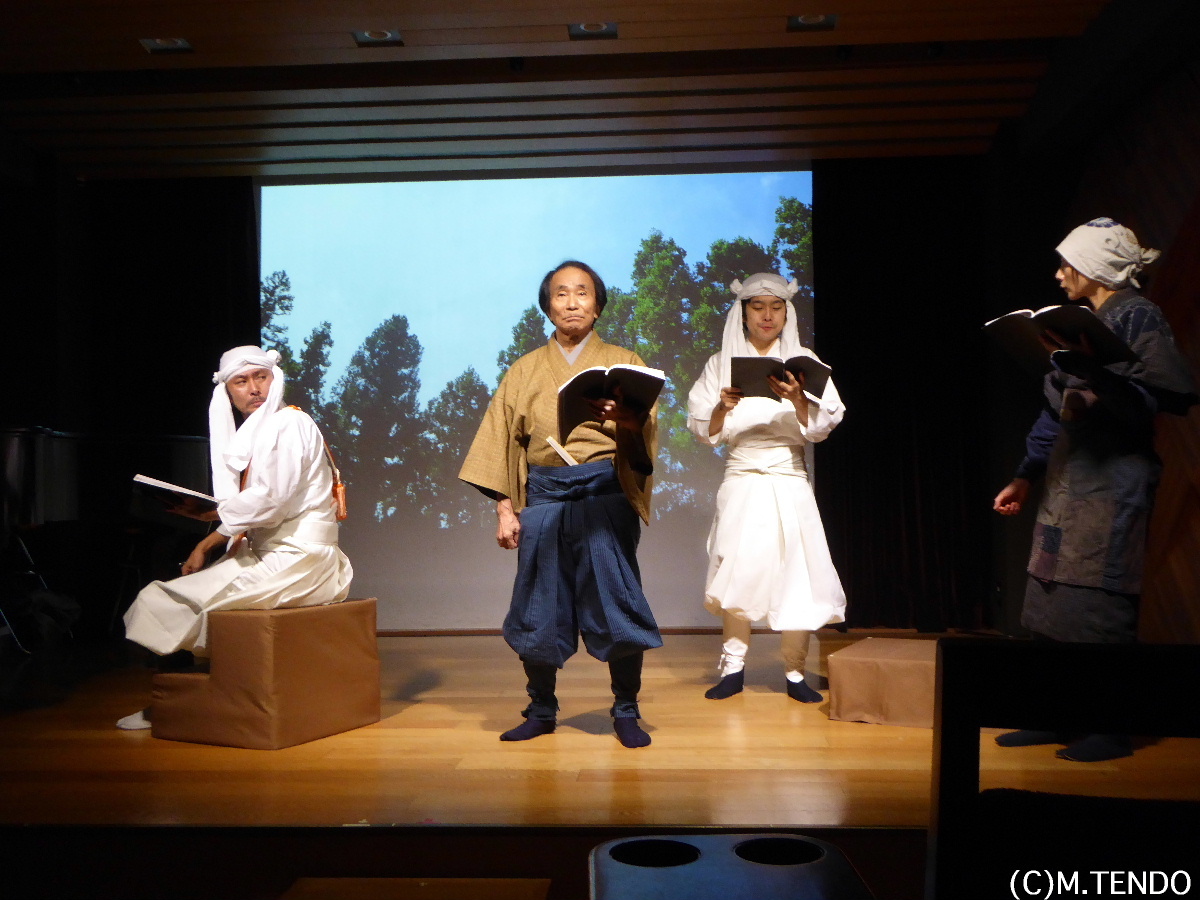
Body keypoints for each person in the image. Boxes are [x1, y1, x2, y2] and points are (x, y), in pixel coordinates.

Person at [992, 218, 1197, 761]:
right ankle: (1054, 715)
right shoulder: (1083, 322)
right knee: (1049, 600)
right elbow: (1054, 410)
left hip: (1112, 482)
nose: (1060, 275)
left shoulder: (1136, 315)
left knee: (1099, 602)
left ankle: (1111, 727)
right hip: (1068, 478)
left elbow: (1152, 401)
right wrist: (1025, 475)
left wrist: (1096, 371)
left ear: (1096, 267)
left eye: (1068, 265)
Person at [459, 261, 662, 749]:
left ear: (598, 305)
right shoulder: (524, 369)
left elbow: (646, 434)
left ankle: (626, 708)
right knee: (538, 604)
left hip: (603, 494)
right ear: (548, 307)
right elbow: (500, 442)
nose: (572, 302)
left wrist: (627, 420)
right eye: (561, 294)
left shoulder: (624, 360)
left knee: (617, 600)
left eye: (583, 293)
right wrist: (506, 510)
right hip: (546, 496)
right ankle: (541, 708)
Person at [118, 346, 353, 729]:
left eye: (261, 377)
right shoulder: (258, 433)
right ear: (228, 391)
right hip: (266, 554)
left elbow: (272, 502)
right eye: (241, 382)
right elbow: (258, 507)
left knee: (180, 605)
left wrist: (210, 523)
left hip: (301, 559)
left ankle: (179, 707)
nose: (254, 388)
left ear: (274, 379)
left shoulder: (289, 424)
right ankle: (177, 702)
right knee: (158, 598)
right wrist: (212, 542)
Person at [686, 273, 846, 702]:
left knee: (798, 570)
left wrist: (798, 399)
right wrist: (722, 407)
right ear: (743, 313)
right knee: (737, 569)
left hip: (788, 476)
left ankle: (794, 671)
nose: (767, 315)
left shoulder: (804, 360)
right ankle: (732, 668)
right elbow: (703, 429)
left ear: (787, 312)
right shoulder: (720, 363)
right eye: (757, 307)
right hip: (742, 476)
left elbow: (824, 424)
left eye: (776, 307)